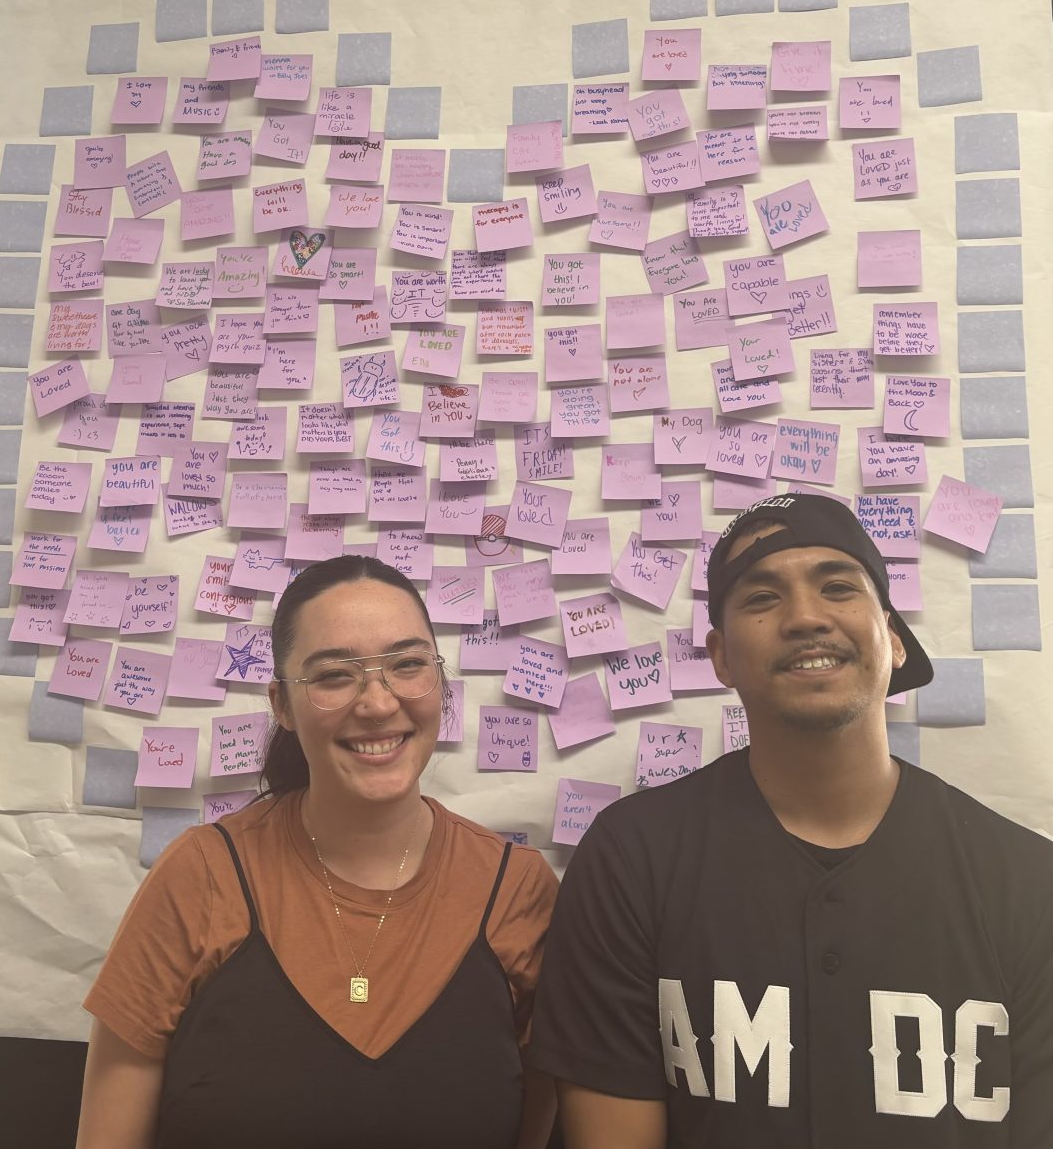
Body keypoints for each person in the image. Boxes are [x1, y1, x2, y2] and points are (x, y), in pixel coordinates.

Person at [529, 492, 1053, 1148]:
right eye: (762, 597)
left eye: (838, 587)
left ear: (892, 638)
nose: (806, 616)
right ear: (719, 656)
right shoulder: (630, 861)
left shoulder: (1029, 884)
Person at [77, 555, 559, 1149]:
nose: (378, 703)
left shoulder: (517, 889)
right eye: (334, 675)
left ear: (440, 683)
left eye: (407, 665)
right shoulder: (201, 875)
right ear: (281, 704)